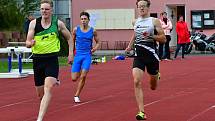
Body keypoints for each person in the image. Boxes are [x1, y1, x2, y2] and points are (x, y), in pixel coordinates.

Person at [25, 0, 73, 121]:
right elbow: (27, 42)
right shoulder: (33, 24)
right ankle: (53, 81)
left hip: (51, 59)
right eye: (42, 9)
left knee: (48, 88)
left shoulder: (58, 24)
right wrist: (30, 43)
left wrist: (70, 53)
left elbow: (69, 38)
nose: (44, 11)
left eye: (46, 9)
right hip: (37, 60)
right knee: (41, 95)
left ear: (51, 10)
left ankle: (39, 118)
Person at [125, 0, 166, 120]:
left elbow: (163, 39)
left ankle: (156, 74)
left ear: (148, 7)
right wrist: (129, 45)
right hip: (139, 56)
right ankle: (141, 112)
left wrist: (151, 36)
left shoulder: (154, 21)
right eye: (139, 6)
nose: (141, 8)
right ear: (137, 8)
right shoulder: (135, 21)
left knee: (153, 86)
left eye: (143, 6)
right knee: (136, 81)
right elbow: (135, 34)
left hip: (152, 56)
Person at [71, 11, 100, 103]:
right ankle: (79, 70)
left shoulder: (93, 31)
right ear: (80, 20)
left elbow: (98, 42)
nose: (83, 21)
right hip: (78, 55)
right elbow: (71, 41)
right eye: (82, 19)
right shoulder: (76, 30)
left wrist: (94, 48)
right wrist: (71, 53)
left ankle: (77, 95)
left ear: (88, 20)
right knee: (74, 78)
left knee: (83, 76)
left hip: (87, 55)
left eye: (85, 19)